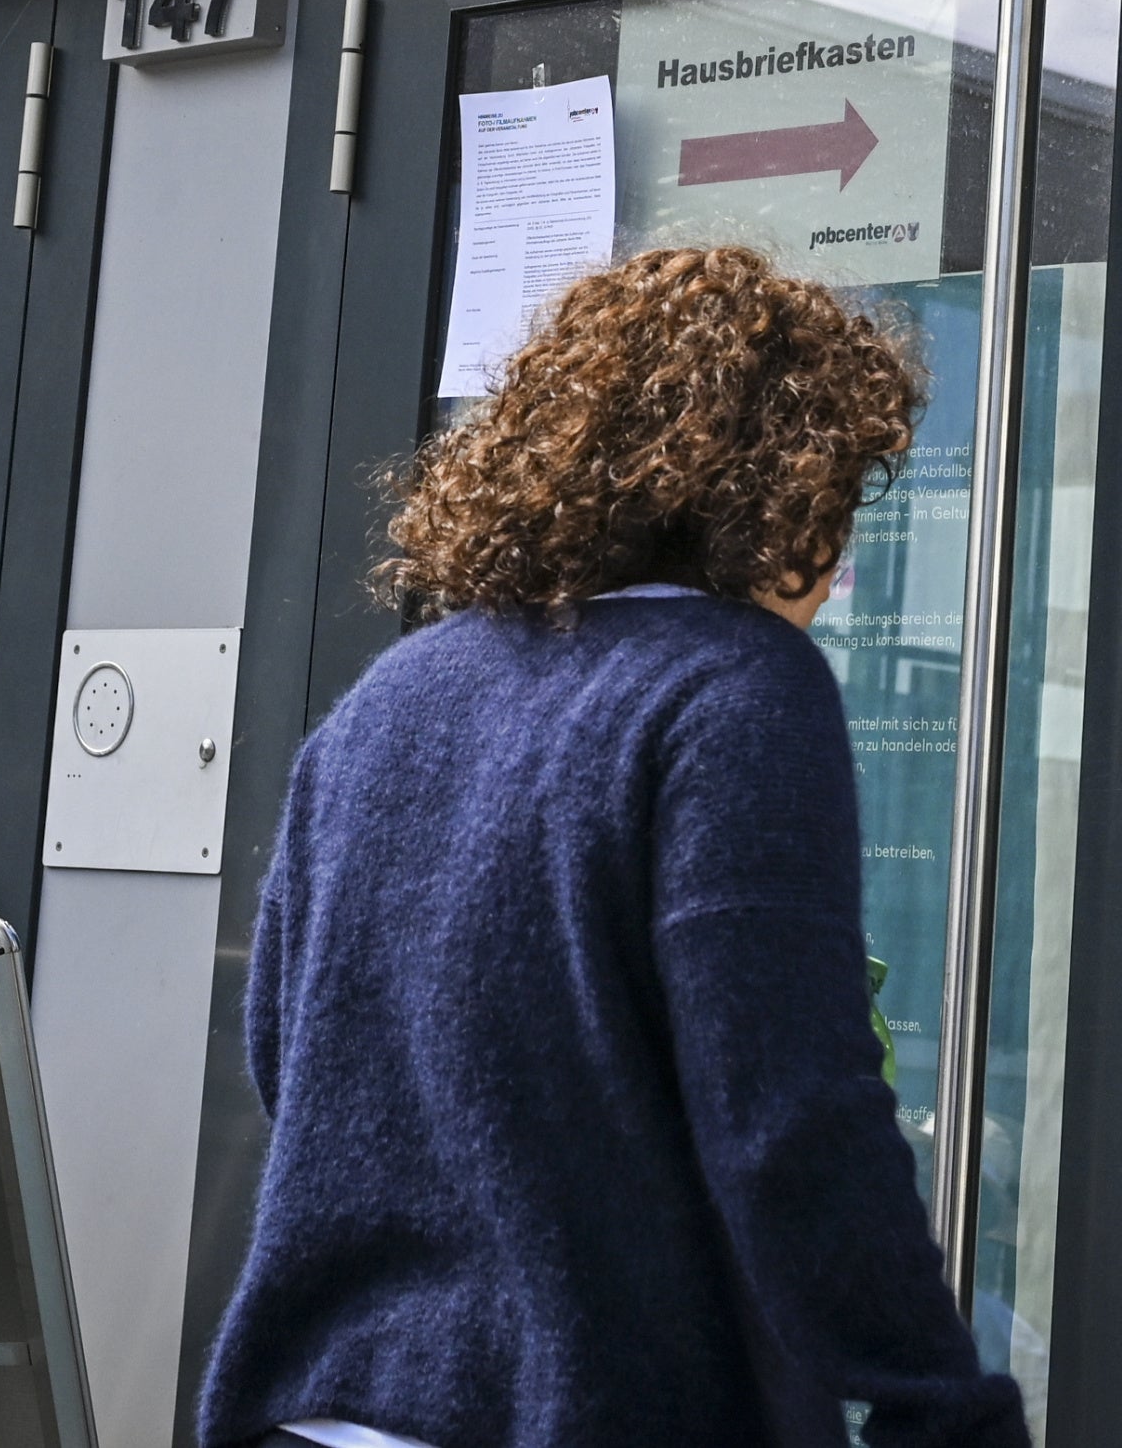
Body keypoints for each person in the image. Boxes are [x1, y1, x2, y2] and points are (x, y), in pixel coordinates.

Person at [200, 244, 1024, 1448]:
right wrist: (939, 1404)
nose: (835, 572)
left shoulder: (393, 693)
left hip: (319, 1411)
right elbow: (790, 1114)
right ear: (768, 490)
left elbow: (288, 1049)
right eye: (836, 502)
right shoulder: (735, 685)